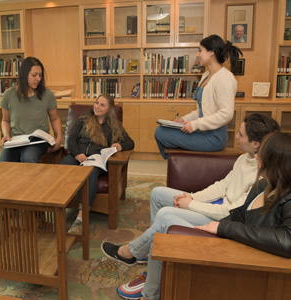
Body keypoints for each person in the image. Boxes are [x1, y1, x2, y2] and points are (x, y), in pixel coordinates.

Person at [101, 113, 279, 300]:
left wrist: (192, 205)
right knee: (158, 194)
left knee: (166, 217)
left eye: (241, 134)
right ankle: (154, 252)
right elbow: (222, 186)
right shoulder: (244, 158)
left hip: (222, 219)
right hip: (216, 206)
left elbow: (230, 212)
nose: (235, 137)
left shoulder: (262, 174)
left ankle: (135, 258)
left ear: (256, 144)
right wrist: (192, 197)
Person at [196, 131, 291, 258]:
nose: (256, 156)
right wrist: (213, 228)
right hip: (236, 247)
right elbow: (240, 216)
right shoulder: (263, 184)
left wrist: (224, 228)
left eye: (262, 154)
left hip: (252, 261)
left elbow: (290, 241)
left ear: (277, 164)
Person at [154, 35, 243, 160]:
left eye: (200, 50)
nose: (197, 55)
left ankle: (175, 160)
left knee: (161, 133)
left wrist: (195, 125)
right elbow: (201, 110)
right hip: (202, 131)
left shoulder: (225, 79)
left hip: (213, 138)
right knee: (162, 130)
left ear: (212, 52)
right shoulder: (206, 75)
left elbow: (226, 114)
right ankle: (178, 161)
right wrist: (183, 120)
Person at [61, 94, 134, 233]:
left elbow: (130, 142)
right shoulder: (83, 120)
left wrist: (119, 146)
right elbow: (71, 140)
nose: (97, 106)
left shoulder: (114, 125)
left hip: (96, 160)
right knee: (62, 168)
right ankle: (59, 206)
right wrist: (76, 154)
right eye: (96, 103)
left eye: (102, 105)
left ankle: (81, 218)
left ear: (109, 109)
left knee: (91, 174)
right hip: (78, 156)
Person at [0, 56, 62, 163]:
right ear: (23, 75)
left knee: (28, 158)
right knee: (3, 163)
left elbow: (55, 118)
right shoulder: (8, 95)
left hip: (38, 140)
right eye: (34, 75)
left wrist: (59, 137)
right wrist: (6, 134)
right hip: (16, 140)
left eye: (40, 75)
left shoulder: (47, 94)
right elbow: (5, 120)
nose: (38, 79)